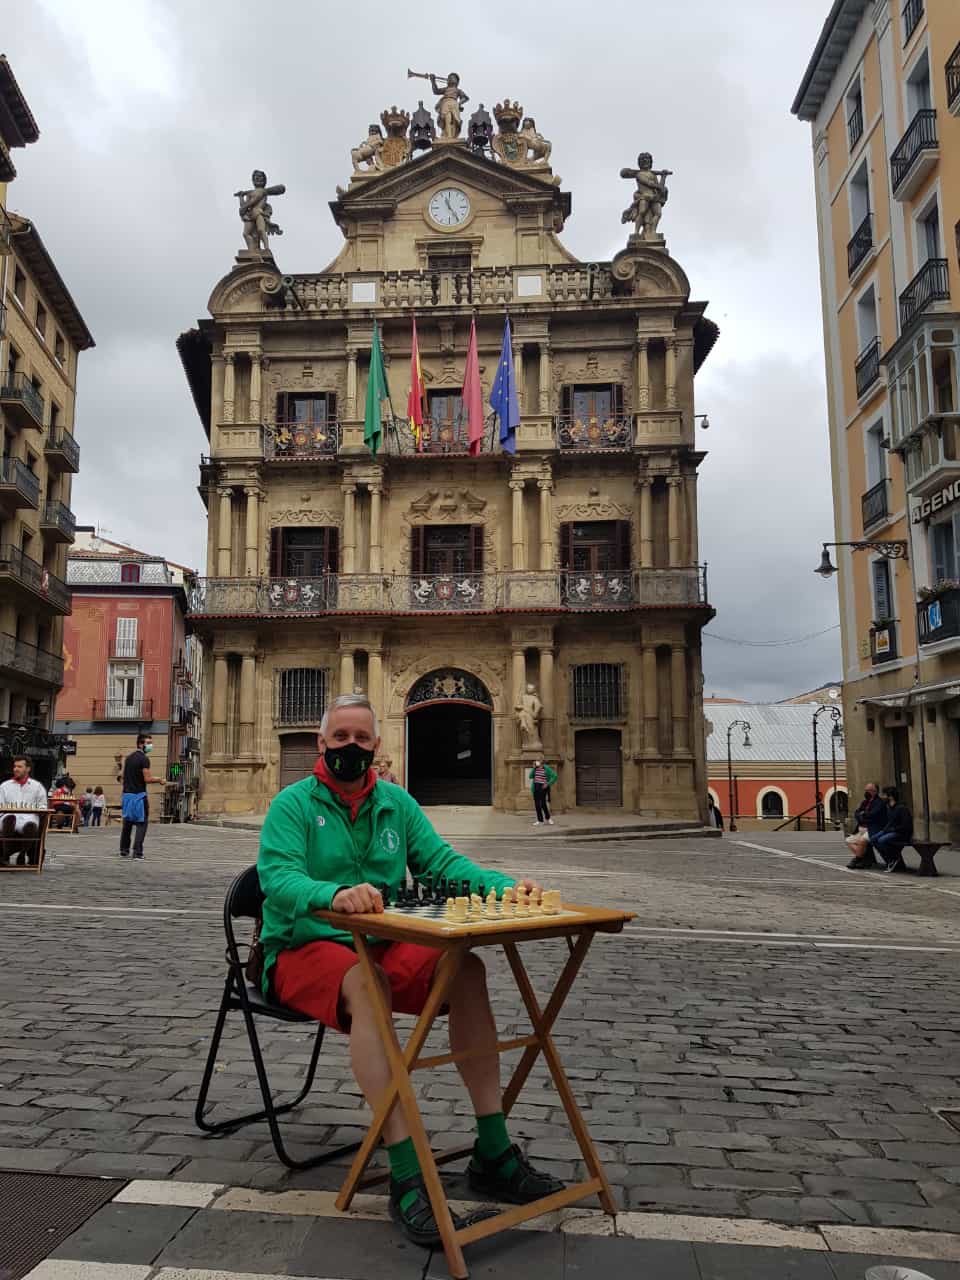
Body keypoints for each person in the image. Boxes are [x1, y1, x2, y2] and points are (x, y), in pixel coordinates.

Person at [257, 693, 564, 1249]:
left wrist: (504, 887)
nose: (351, 746)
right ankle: (404, 1172)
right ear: (321, 743)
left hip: (380, 941)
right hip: (303, 945)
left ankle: (493, 1149)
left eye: (362, 738)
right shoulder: (291, 805)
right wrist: (333, 893)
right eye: (341, 737)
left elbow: (441, 864)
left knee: (466, 969)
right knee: (368, 984)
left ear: (378, 745)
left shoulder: (397, 804)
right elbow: (277, 878)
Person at [0, 756, 49, 866]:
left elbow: (43, 805)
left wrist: (39, 810)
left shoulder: (37, 787)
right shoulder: (4, 786)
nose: (15, 769)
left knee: (30, 825)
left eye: (19, 766)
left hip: (29, 818)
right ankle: (5, 854)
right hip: (8, 817)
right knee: (9, 819)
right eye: (15, 766)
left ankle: (22, 854)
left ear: (28, 769)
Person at [120, 734, 161, 859]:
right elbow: (147, 779)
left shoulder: (128, 758)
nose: (150, 746)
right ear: (140, 744)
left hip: (127, 796)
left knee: (127, 823)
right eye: (148, 743)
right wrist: (159, 780)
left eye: (151, 743)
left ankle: (124, 849)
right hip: (139, 796)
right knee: (141, 824)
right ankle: (137, 852)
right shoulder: (144, 759)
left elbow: (122, 777)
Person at [865, 786, 914, 873]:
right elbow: (889, 822)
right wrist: (885, 830)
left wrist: (892, 829)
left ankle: (894, 858)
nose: (882, 797)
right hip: (891, 830)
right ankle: (890, 859)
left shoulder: (901, 808)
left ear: (890, 796)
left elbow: (906, 825)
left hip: (901, 833)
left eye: (884, 795)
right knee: (872, 839)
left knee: (881, 840)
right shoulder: (889, 807)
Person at [847, 782, 886, 869]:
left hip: (872, 829)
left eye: (869, 790)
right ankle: (864, 859)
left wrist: (863, 815)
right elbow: (857, 813)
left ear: (875, 791)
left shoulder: (879, 803)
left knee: (862, 841)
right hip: (861, 828)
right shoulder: (865, 802)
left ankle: (857, 859)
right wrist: (862, 816)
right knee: (849, 840)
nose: (866, 792)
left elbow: (873, 815)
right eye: (866, 790)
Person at [527, 757, 557, 826]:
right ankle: (540, 820)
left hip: (543, 787)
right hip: (536, 787)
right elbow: (530, 776)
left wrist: (548, 784)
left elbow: (554, 776)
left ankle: (548, 818)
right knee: (537, 804)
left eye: (538, 760)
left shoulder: (546, 768)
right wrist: (533, 768)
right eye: (536, 760)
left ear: (542, 762)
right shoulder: (535, 768)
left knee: (543, 804)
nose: (536, 762)